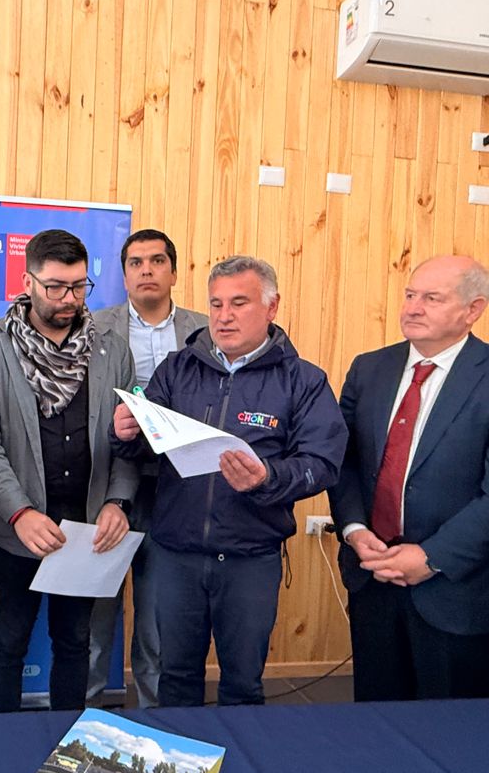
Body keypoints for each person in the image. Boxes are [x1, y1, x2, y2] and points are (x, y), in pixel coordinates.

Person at [113, 255, 347, 707]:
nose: (224, 316)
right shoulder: (178, 369)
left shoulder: (303, 381)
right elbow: (148, 445)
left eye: (239, 303)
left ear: (271, 307)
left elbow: (322, 463)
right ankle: (178, 772)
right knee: (175, 678)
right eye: (216, 304)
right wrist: (124, 434)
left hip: (249, 557)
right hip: (176, 555)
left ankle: (240, 772)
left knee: (242, 683)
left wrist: (268, 477)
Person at [329, 256, 489, 705]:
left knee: (450, 733)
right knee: (378, 719)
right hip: (373, 578)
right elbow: (343, 460)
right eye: (411, 295)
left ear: (472, 310)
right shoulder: (368, 369)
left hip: (458, 591)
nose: (413, 307)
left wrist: (431, 556)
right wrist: (354, 529)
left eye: (431, 298)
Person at [0, 229, 138, 713]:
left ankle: (64, 745)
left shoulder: (113, 351)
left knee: (75, 643)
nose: (69, 299)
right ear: (28, 281)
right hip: (19, 530)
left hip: (87, 530)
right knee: (9, 645)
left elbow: (130, 436)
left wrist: (118, 502)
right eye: (56, 286)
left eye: (80, 287)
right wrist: (18, 512)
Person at [87, 228, 208, 707]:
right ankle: (85, 712)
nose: (147, 271)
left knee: (157, 618)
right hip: (107, 485)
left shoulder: (203, 329)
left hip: (176, 488)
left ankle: (157, 723)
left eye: (157, 261)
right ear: (124, 274)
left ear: (174, 272)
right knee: (97, 613)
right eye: (136, 263)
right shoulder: (95, 326)